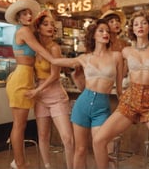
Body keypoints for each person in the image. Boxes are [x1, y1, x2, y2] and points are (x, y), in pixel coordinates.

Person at [93, 10, 149, 169]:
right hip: (131, 98)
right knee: (99, 140)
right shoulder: (126, 51)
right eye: (136, 24)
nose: (140, 26)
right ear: (132, 29)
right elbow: (118, 76)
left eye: (143, 23)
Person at [51, 19, 123, 169]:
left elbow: (120, 90)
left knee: (100, 146)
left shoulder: (116, 56)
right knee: (80, 149)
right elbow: (56, 61)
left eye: (107, 31)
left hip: (102, 107)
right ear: (93, 35)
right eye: (101, 31)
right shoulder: (84, 58)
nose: (105, 34)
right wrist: (38, 49)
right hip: (82, 104)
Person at [5, 0, 55, 169]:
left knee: (20, 124)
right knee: (19, 125)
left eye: (29, 13)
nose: (28, 16)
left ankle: (18, 160)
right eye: (24, 14)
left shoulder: (25, 30)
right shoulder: (25, 31)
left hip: (23, 77)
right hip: (21, 79)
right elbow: (40, 50)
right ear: (18, 17)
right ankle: (20, 163)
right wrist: (62, 61)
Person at [24, 12, 74, 169]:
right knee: (43, 136)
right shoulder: (34, 49)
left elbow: (54, 75)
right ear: (38, 28)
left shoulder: (55, 48)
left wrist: (37, 90)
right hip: (39, 96)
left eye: (52, 24)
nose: (51, 27)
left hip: (55, 94)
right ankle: (47, 166)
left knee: (67, 137)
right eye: (46, 24)